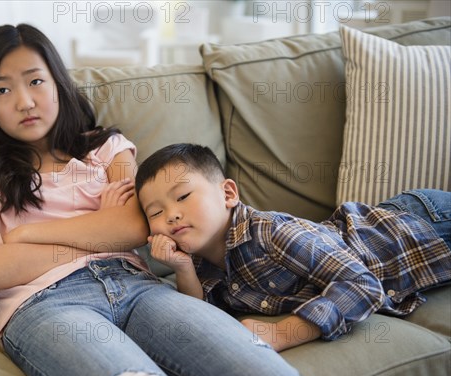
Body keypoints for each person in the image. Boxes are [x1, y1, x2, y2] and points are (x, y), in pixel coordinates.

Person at [0, 24, 314, 376]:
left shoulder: (105, 146)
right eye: (2, 90)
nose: (24, 101)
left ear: (57, 82)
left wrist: (24, 236)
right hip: (46, 305)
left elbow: (138, 226)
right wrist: (102, 228)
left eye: (35, 81)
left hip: (140, 288)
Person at [135, 143, 451, 353]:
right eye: (155, 212)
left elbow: (362, 284)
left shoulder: (271, 232)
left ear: (228, 194)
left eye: (182, 197)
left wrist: (283, 333)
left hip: (421, 223)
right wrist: (183, 268)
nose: (171, 214)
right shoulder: (203, 265)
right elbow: (202, 312)